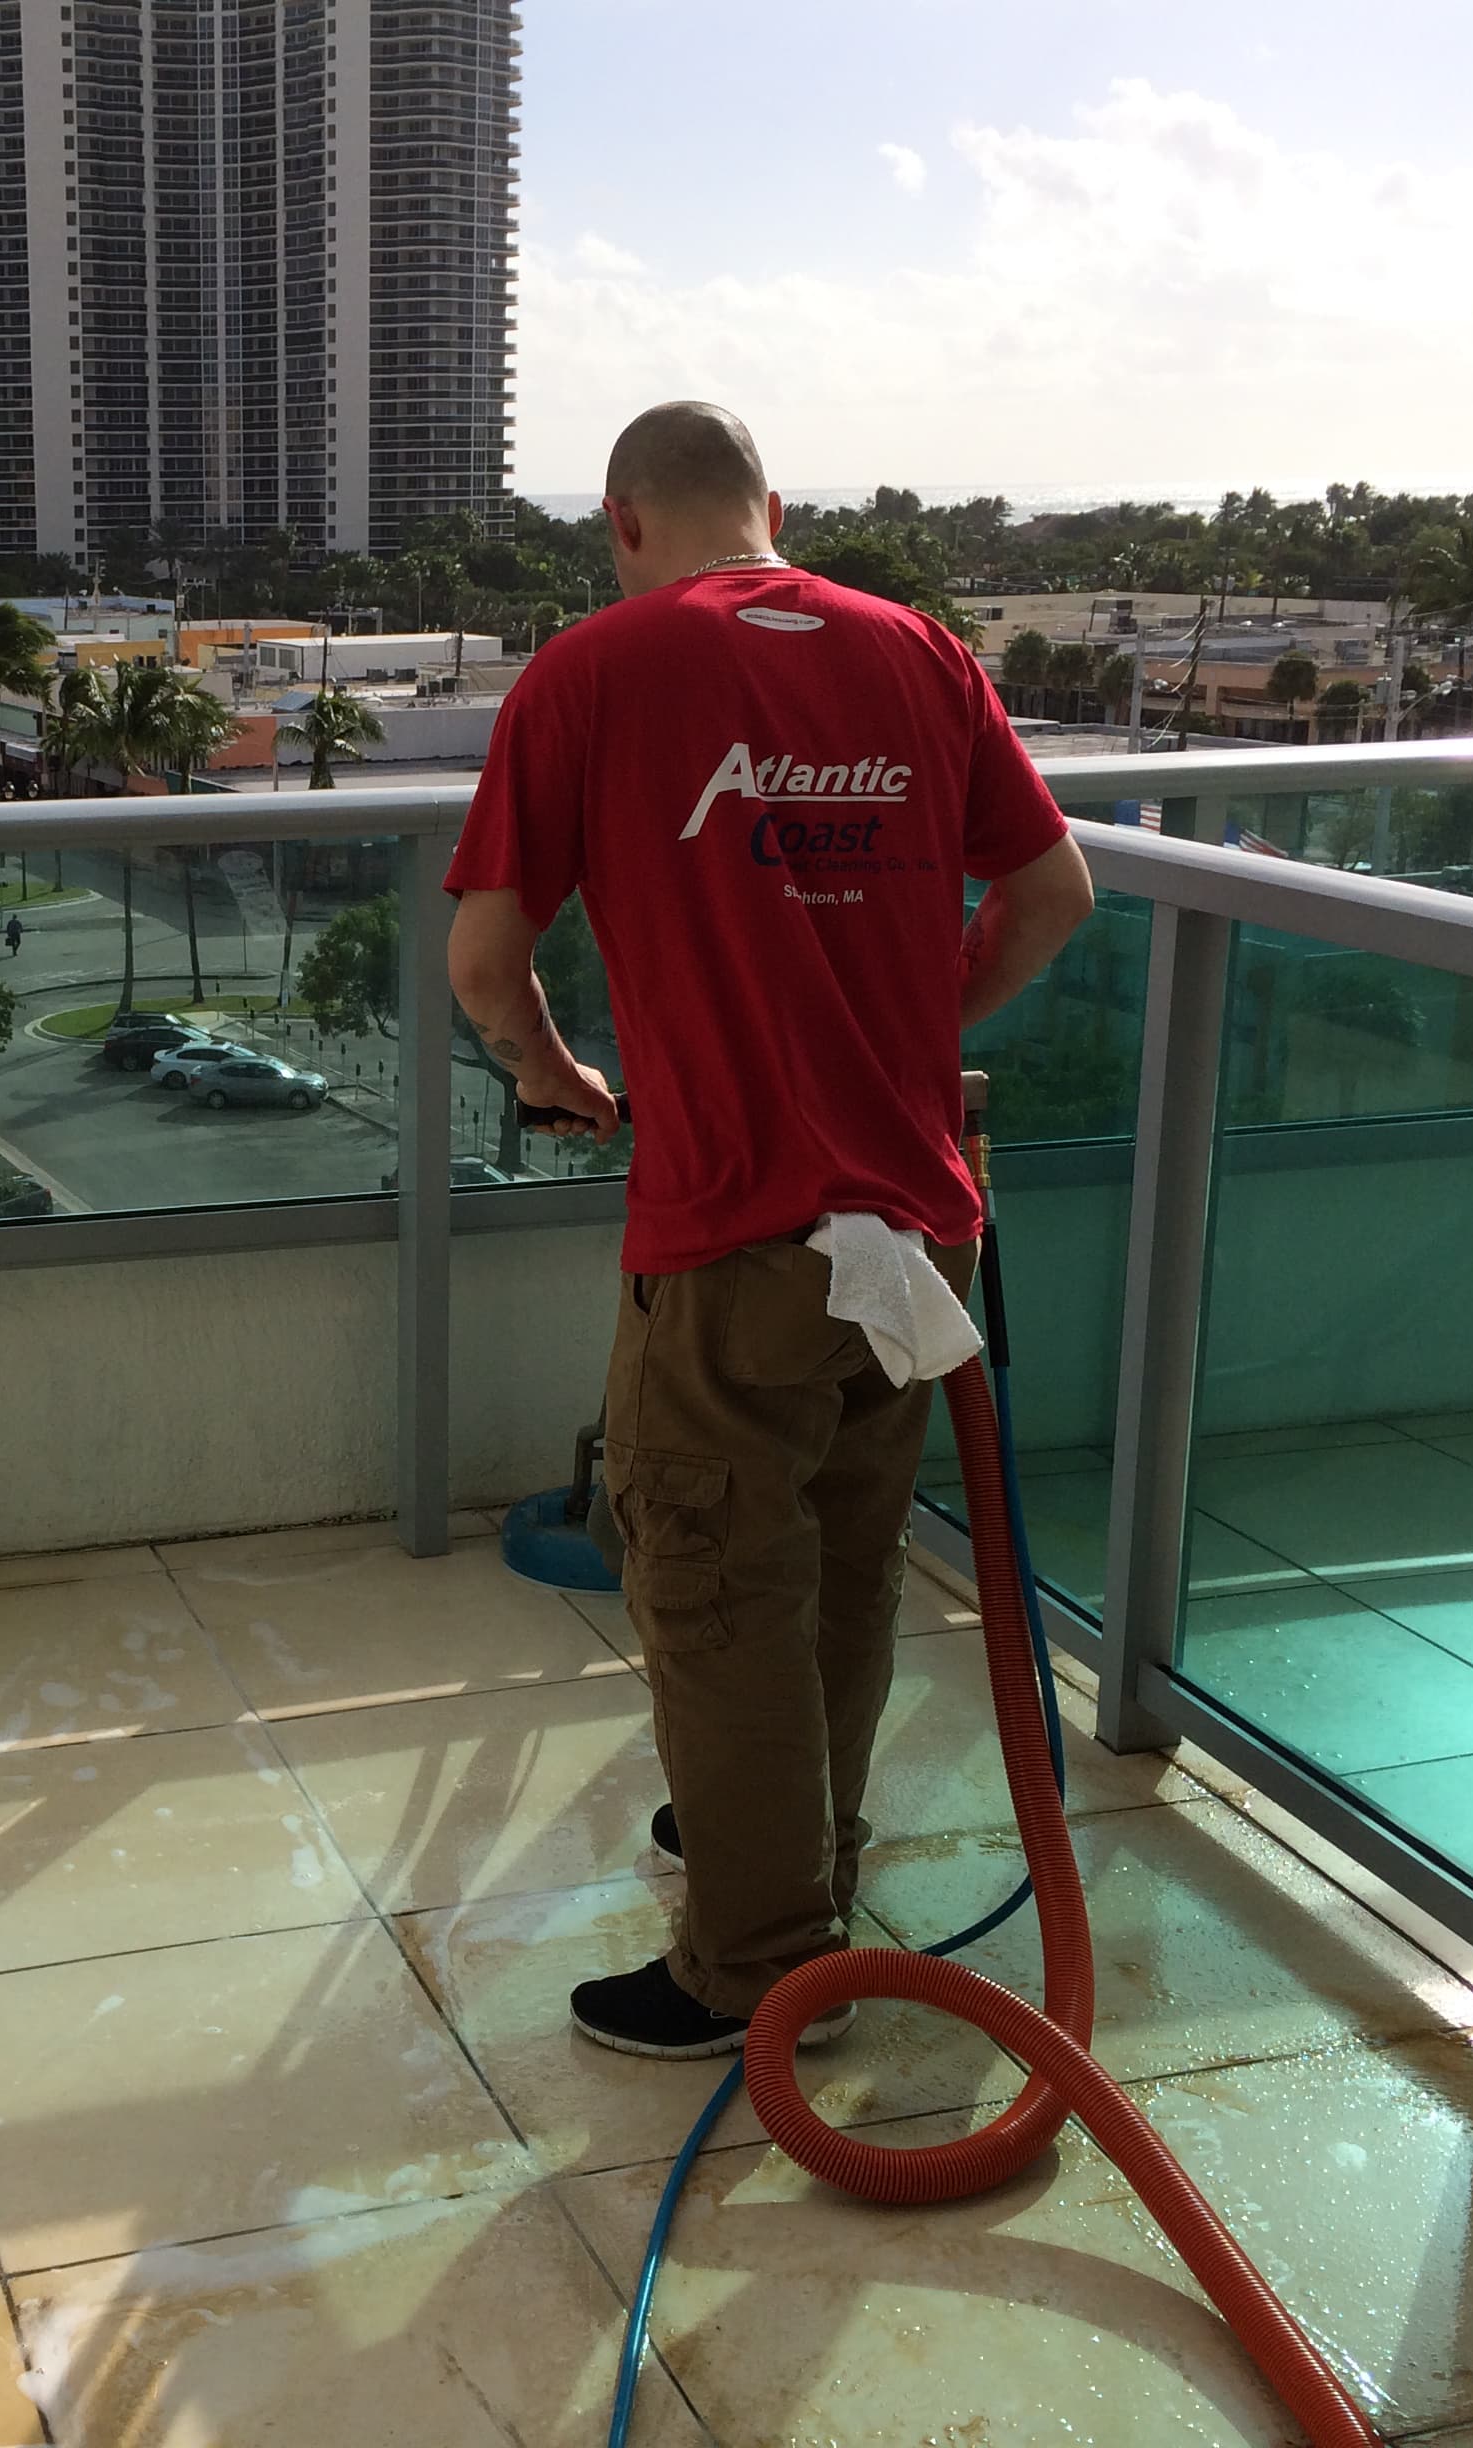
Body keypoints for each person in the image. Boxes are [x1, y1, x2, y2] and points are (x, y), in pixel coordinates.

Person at [445, 400, 1096, 2059]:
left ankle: (753, 1962)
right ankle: (797, 1849)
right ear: (773, 510)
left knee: (716, 1584)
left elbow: (485, 961)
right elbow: (1052, 896)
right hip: (913, 1228)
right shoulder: (924, 655)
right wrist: (912, 1021)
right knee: (843, 1564)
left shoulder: (596, 670)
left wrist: (553, 1072)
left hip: (736, 1234)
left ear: (622, 521)